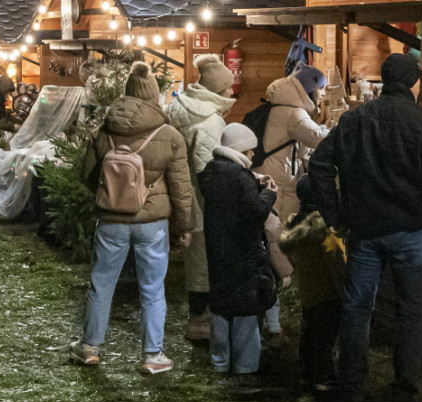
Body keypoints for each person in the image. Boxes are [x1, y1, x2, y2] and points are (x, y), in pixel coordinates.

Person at [310, 53, 422, 402]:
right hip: (412, 231)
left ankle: (351, 386)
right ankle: (403, 393)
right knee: (411, 315)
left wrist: (334, 216)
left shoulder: (354, 120)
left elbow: (319, 164)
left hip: (364, 231)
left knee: (357, 310)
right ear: (414, 84)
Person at [69, 61, 193, 374]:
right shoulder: (170, 136)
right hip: (153, 223)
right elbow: (181, 191)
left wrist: (114, 194)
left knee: (101, 283)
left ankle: (90, 347)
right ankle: (153, 356)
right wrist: (183, 227)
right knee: (152, 288)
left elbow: (87, 176)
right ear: (155, 95)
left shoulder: (105, 130)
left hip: (111, 221)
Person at [254, 61, 330, 347]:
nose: (322, 95)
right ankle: (271, 328)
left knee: (270, 251)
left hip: (272, 179)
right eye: (321, 89)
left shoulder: (281, 106)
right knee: (276, 254)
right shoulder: (294, 113)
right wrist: (344, 128)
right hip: (281, 187)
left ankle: (268, 325)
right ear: (309, 87)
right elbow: (317, 137)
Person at [165, 54, 237, 342]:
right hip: (203, 204)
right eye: (229, 87)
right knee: (205, 264)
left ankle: (200, 318)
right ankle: (200, 321)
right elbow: (211, 172)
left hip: (183, 197)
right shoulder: (207, 122)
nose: (233, 92)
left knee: (197, 262)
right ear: (218, 90)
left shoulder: (182, 109)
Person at [197, 123, 277, 376]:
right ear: (241, 149)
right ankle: (245, 366)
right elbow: (256, 213)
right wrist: (268, 195)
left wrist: (254, 183)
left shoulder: (211, 173)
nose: (253, 156)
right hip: (243, 250)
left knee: (221, 305)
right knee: (245, 306)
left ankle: (219, 363)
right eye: (250, 150)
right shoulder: (240, 177)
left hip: (218, 249)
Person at [279, 175, 346, 392]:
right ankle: (323, 378)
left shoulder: (297, 226)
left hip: (308, 290)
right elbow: (338, 262)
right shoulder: (325, 230)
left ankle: (306, 373)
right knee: (325, 337)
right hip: (328, 291)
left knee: (309, 332)